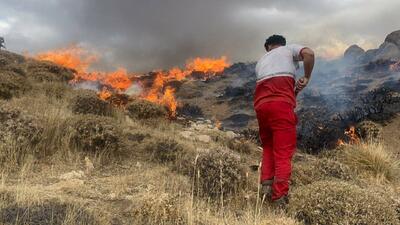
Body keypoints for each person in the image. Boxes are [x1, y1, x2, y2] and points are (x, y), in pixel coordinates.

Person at [254, 34, 314, 206]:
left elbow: (271, 89)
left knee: (268, 146)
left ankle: (266, 188)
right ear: (281, 44)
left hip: (261, 107)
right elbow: (309, 54)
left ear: (268, 47)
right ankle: (279, 197)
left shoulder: (261, 62)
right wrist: (307, 77)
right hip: (280, 105)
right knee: (283, 152)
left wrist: (294, 91)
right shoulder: (288, 49)